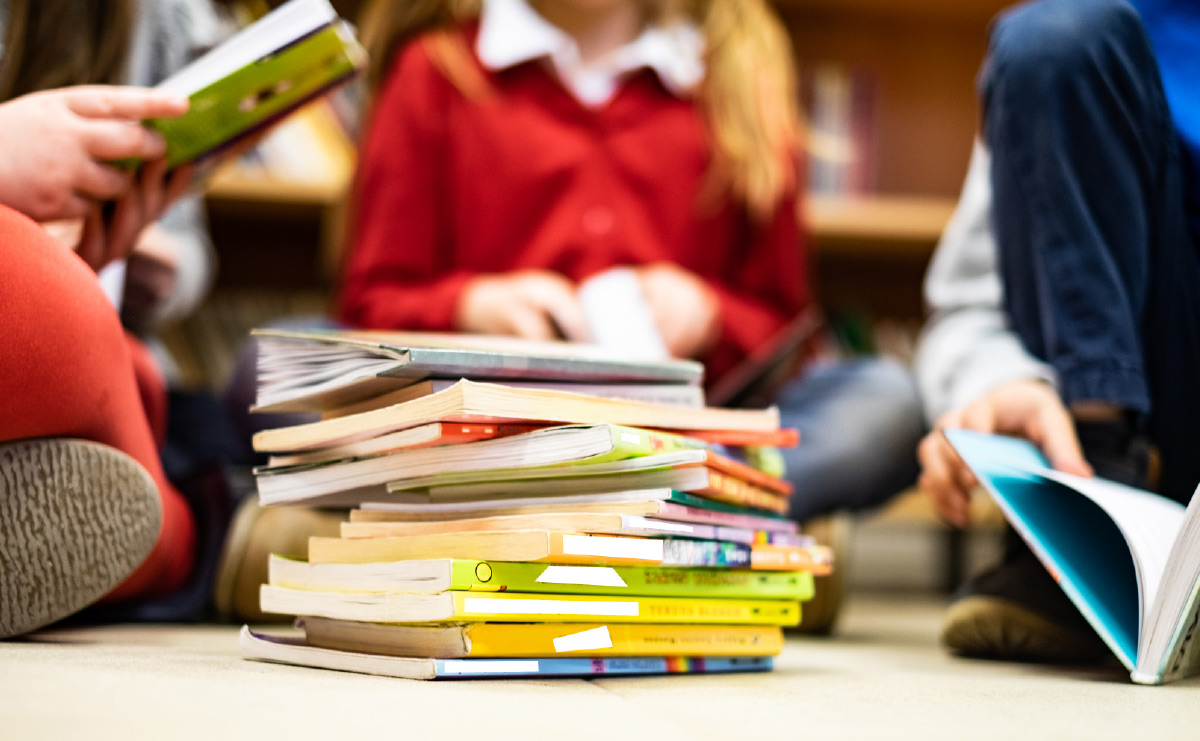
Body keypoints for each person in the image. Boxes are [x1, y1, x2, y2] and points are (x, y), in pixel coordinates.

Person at [339, 0, 924, 524]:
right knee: (275, 372)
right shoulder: (435, 70)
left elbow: (786, 327)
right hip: (482, 434)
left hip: (687, 428)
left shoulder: (739, 78)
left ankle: (520, 519)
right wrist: (471, 306)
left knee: (886, 403)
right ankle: (717, 521)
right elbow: (372, 301)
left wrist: (709, 313)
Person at [915, 0, 1199, 662]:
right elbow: (965, 308)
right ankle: (1097, 524)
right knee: (1056, 40)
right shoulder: (1088, 41)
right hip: (1145, 428)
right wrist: (1006, 382)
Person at [0, 0, 233, 638]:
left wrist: (134, 252)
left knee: (89, 328)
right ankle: (173, 542)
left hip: (95, 322)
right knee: (58, 308)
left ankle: (168, 526)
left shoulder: (160, 16)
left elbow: (191, 250)